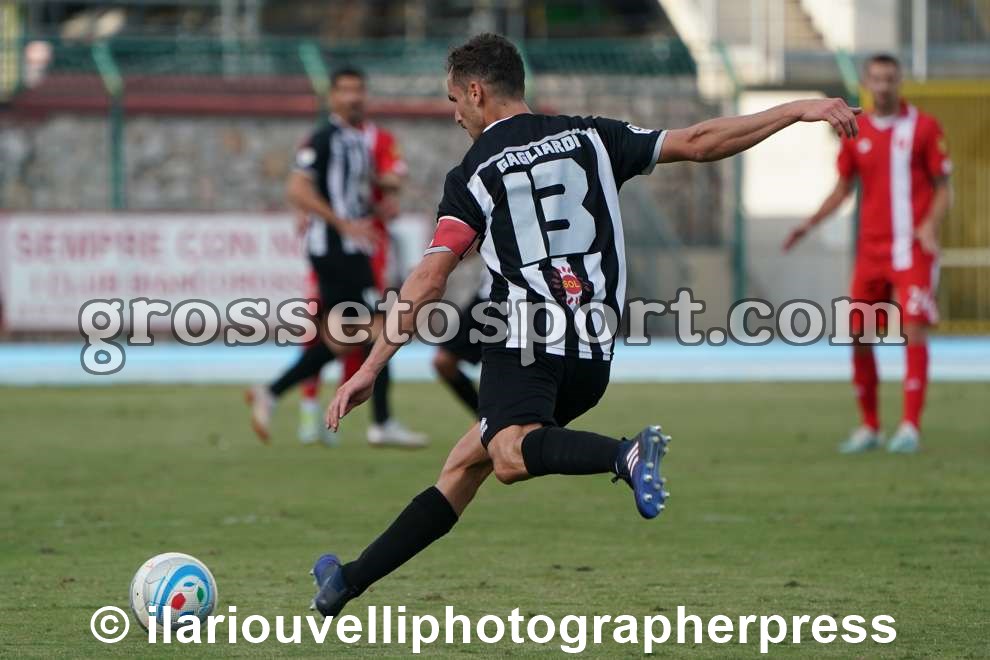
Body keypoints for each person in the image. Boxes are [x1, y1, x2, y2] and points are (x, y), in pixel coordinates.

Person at [309, 33, 859, 616]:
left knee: (508, 456)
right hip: (593, 351)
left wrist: (371, 367)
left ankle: (626, 456)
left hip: (524, 337)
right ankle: (346, 583)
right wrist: (796, 109)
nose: (455, 115)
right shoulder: (593, 136)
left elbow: (428, 280)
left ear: (475, 92)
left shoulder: (473, 173)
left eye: (453, 101)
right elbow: (700, 142)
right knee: (465, 466)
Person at [246, 66, 424, 448]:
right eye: (345, 90)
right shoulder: (325, 138)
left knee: (347, 337)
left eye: (358, 90)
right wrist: (341, 223)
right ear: (332, 96)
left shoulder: (357, 140)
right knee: (383, 330)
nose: (353, 97)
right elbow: (296, 189)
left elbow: (374, 183)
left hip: (352, 250)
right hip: (337, 250)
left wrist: (378, 201)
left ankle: (271, 392)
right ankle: (381, 422)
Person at [783, 53, 951, 454]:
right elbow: (843, 189)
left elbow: (944, 187)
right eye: (877, 79)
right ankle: (870, 426)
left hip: (912, 249)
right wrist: (808, 224)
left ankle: (910, 426)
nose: (883, 86)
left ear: (899, 81)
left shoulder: (925, 127)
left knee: (913, 328)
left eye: (890, 78)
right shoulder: (856, 131)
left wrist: (930, 224)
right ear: (867, 83)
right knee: (857, 333)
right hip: (871, 251)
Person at [295, 120, 427, 447]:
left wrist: (381, 191)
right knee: (326, 327)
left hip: (367, 251)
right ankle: (308, 407)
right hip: (333, 251)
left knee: (359, 333)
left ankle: (339, 412)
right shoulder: (324, 138)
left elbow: (394, 179)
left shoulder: (378, 139)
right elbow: (302, 185)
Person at [431, 264, 492, 415]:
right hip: (487, 297)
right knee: (443, 361)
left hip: (524, 301)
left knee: (505, 371)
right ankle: (484, 417)